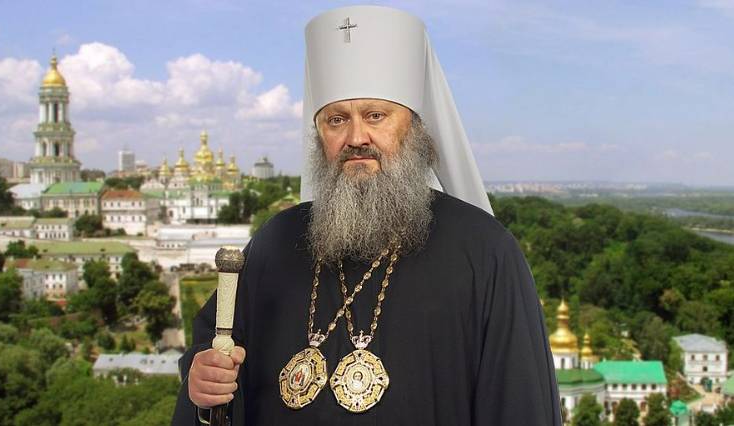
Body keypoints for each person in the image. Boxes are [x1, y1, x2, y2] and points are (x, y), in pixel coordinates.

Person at [172, 5, 561, 425]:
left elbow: (519, 403)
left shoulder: (485, 253)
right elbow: (214, 346)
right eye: (336, 120)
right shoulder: (276, 241)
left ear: (414, 129)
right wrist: (201, 376)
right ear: (319, 135)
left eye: (376, 116)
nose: (356, 137)